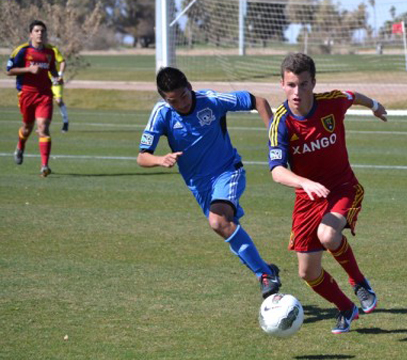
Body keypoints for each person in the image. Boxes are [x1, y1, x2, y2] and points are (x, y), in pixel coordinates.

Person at [267, 53, 388, 334]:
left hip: (342, 187)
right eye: (291, 85)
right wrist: (303, 183)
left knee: (328, 235)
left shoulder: (331, 102)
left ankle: (359, 282)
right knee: (307, 272)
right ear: (282, 84)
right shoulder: (281, 123)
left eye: (304, 84)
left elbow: (352, 95)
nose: (298, 92)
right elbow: (276, 171)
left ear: (313, 83)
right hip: (307, 198)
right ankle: (347, 308)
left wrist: (375, 105)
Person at [137, 67, 281, 299]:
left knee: (218, 221)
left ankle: (264, 275)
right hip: (198, 186)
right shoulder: (162, 113)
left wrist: (275, 139)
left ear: (190, 87)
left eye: (184, 95)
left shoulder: (211, 100)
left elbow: (260, 102)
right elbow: (142, 157)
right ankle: (266, 270)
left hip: (227, 171)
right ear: (165, 99)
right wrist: (160, 160)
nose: (182, 104)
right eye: (174, 101)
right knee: (227, 228)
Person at [6, 20, 61, 177]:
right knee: (27, 127)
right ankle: (20, 145)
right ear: (30, 34)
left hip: (44, 95)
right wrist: (28, 69)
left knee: (43, 127)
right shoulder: (22, 51)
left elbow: (52, 70)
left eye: (42, 31)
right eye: (36, 30)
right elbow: (9, 71)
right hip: (26, 94)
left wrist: (57, 79)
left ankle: (44, 165)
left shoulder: (50, 52)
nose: (40, 33)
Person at [50, 45, 70, 132]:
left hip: (55, 80)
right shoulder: (36, 50)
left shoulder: (53, 49)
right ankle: (43, 125)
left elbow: (62, 61)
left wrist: (60, 75)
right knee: (44, 102)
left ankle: (65, 122)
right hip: (43, 80)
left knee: (58, 101)